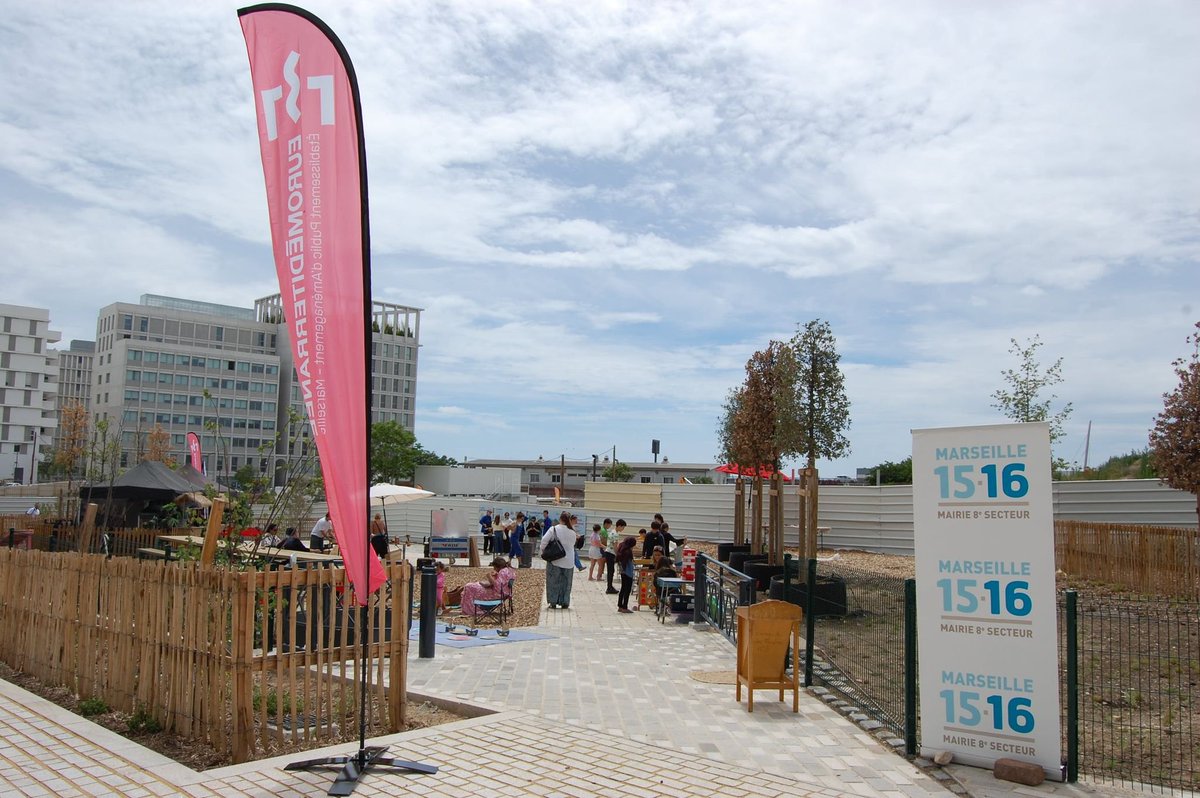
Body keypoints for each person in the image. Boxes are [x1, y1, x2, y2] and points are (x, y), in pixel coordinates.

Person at [542, 511, 577, 609]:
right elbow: (573, 544)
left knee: (553, 581)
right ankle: (565, 601)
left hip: (555, 559)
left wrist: (543, 552)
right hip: (569, 560)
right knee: (566, 583)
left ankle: (553, 601)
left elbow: (544, 541)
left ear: (560, 519)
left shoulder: (553, 529)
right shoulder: (573, 531)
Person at [616, 535, 637, 613]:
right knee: (627, 590)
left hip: (623, 572)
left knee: (622, 589)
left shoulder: (622, 549)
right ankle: (625, 607)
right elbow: (629, 563)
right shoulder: (628, 552)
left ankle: (620, 606)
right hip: (628, 573)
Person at [600, 518, 618, 594]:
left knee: (610, 570)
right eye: (609, 525)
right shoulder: (605, 531)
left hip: (608, 551)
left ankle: (610, 586)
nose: (610, 526)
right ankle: (609, 587)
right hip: (609, 552)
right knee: (609, 570)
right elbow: (604, 540)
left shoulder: (609, 531)